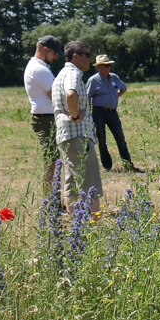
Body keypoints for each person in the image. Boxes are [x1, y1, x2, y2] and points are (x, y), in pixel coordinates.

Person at [50, 41, 101, 215]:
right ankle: (94, 222)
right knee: (89, 177)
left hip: (66, 135)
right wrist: (74, 115)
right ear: (75, 56)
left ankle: (76, 223)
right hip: (77, 133)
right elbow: (70, 93)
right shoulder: (73, 73)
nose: (90, 59)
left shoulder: (61, 73)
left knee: (71, 179)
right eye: (87, 55)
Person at [86, 55, 140, 173]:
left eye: (109, 65)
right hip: (98, 112)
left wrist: (116, 96)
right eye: (106, 65)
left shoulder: (114, 77)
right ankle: (107, 166)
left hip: (112, 112)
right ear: (99, 67)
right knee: (102, 140)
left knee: (120, 138)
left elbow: (123, 88)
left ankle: (128, 164)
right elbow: (88, 97)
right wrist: (88, 114)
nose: (109, 67)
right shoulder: (93, 80)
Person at [24, 34, 62, 187]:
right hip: (46, 118)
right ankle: (49, 202)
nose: (55, 57)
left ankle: (53, 199)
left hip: (46, 116)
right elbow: (56, 96)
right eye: (54, 53)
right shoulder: (38, 69)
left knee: (53, 160)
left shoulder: (39, 67)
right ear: (45, 49)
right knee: (52, 161)